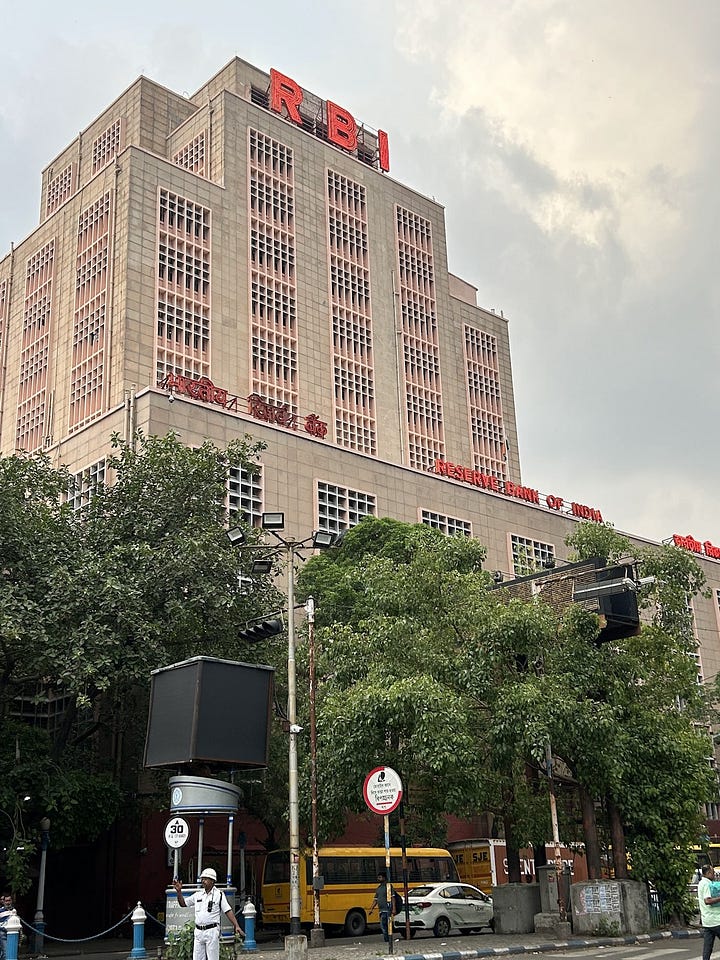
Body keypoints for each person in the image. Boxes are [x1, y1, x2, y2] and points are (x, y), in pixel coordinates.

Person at [173, 868, 243, 960]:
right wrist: (179, 892)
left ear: (213, 881)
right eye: (202, 879)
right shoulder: (198, 894)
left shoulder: (219, 895)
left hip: (212, 931)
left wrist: (236, 925)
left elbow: (228, 910)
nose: (203, 881)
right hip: (198, 931)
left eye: (206, 879)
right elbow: (183, 903)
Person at [699, 864, 720, 960]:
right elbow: (707, 901)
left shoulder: (701, 883)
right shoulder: (707, 884)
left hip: (707, 921)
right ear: (708, 873)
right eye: (713, 873)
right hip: (716, 920)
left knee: (707, 948)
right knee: (708, 947)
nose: (714, 875)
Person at [369, 872, 394, 943]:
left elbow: (393, 898)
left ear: (384, 878)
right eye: (378, 877)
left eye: (380, 877)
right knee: (383, 926)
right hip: (381, 910)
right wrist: (371, 909)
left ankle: (389, 940)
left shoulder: (388, 887)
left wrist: (393, 908)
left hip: (387, 909)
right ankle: (386, 940)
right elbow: (375, 900)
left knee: (387, 926)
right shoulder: (378, 888)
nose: (378, 879)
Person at [0, 893, 13, 960]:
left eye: (9, 900)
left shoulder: (14, 911)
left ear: (11, 901)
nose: (8, 902)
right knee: (5, 952)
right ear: (4, 902)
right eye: (6, 901)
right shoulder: (0, 911)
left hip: (12, 934)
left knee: (5, 952)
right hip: (3, 933)